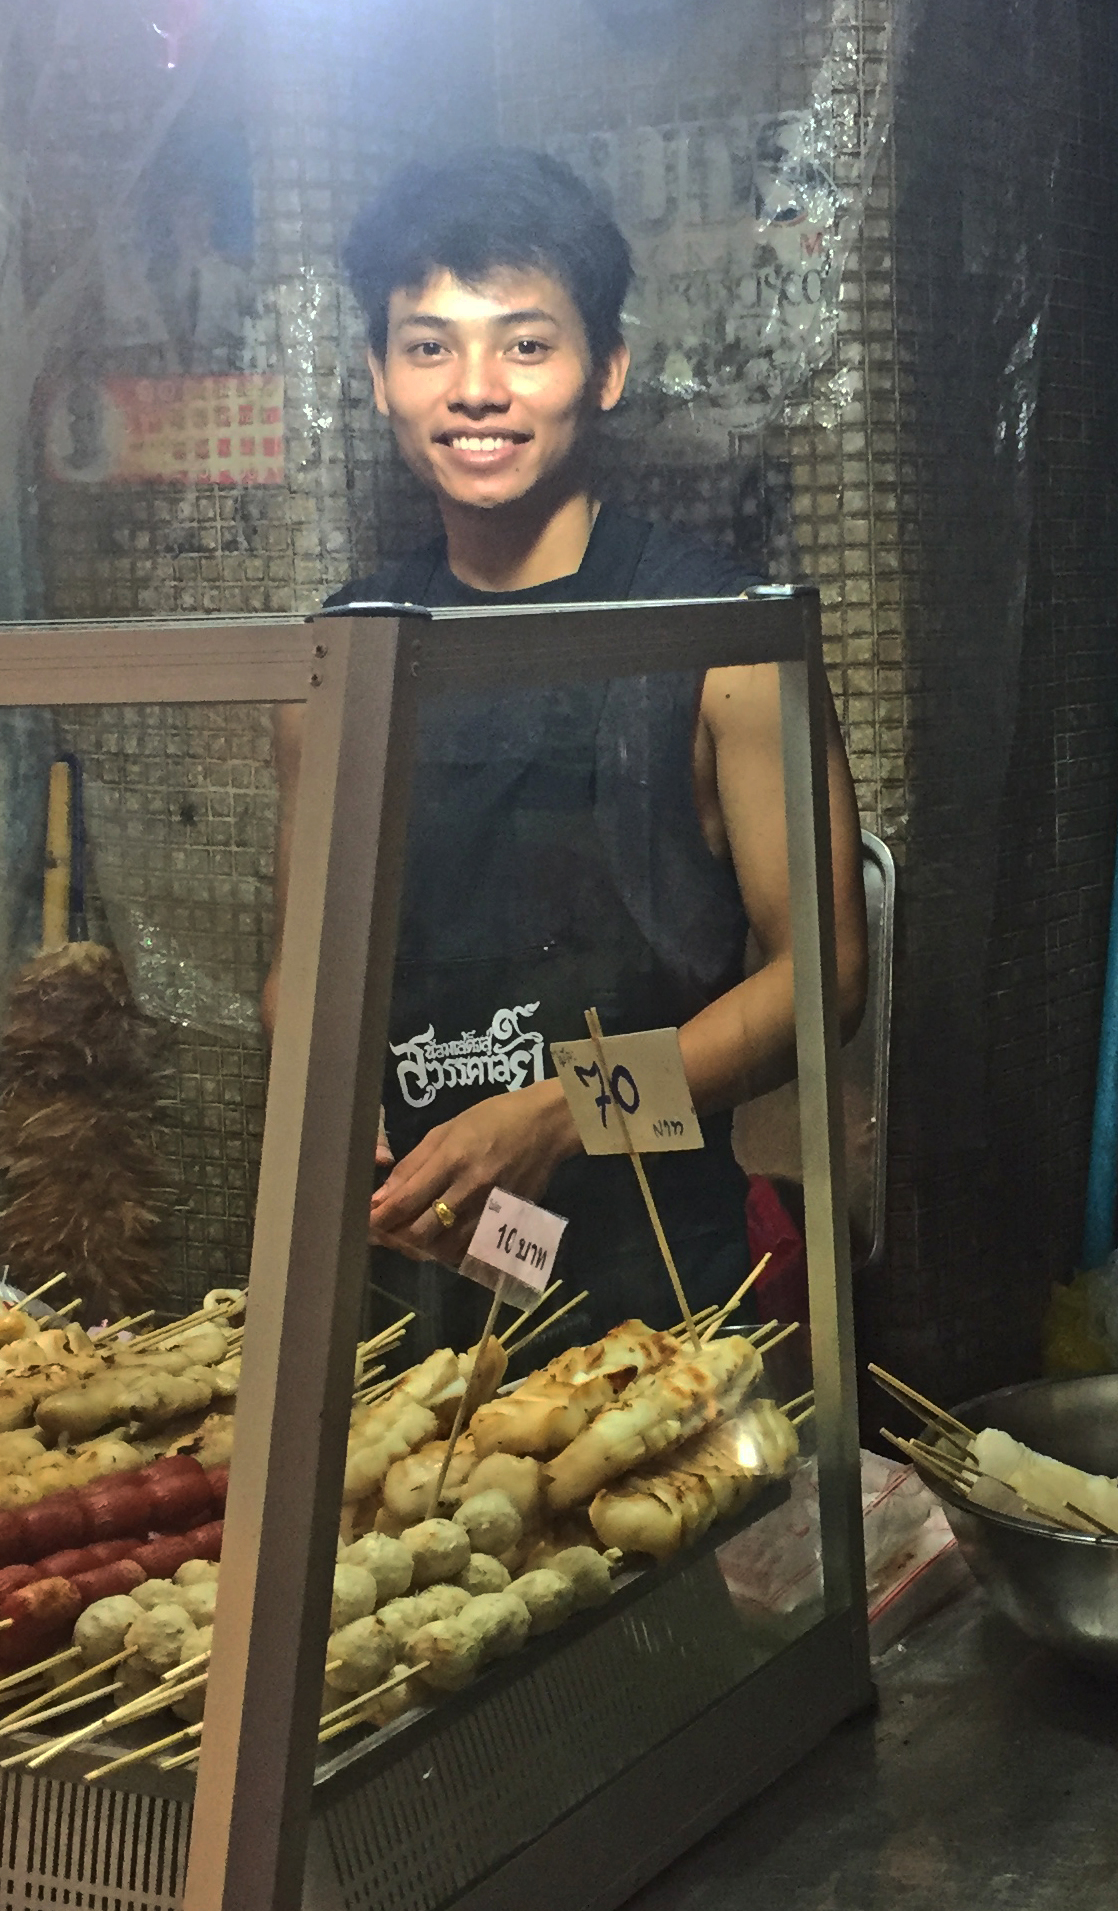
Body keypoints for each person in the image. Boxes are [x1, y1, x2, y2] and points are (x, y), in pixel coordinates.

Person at [264, 147, 867, 1354]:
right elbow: (301, 971)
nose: (475, 390)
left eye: (526, 345)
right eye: (429, 346)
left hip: (662, 1293)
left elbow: (826, 978)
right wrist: (336, 1102)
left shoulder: (720, 640)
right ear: (378, 379)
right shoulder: (340, 662)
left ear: (607, 370)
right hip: (409, 1286)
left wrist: (570, 1114)